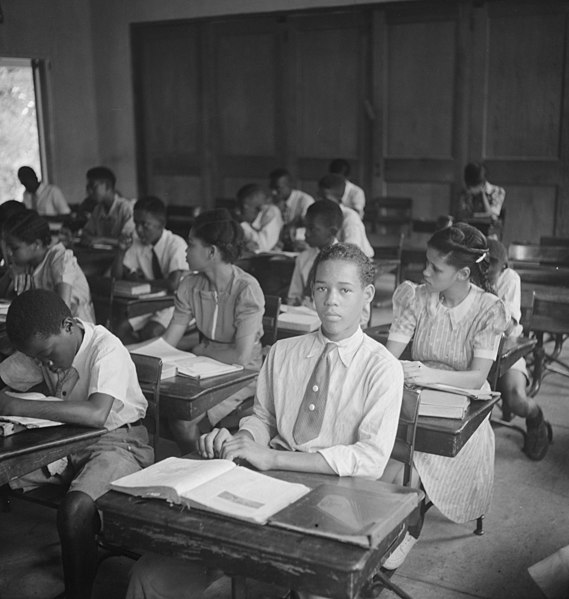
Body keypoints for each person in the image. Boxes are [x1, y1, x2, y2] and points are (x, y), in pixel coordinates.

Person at [126, 242, 404, 599]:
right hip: (266, 482)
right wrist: (241, 438)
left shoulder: (382, 368)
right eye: (321, 288)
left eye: (344, 290)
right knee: (148, 574)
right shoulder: (284, 352)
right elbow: (263, 418)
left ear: (367, 296)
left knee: (307, 583)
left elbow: (370, 459)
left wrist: (273, 457)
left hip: (338, 497)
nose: (330, 300)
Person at [0, 289, 153, 599]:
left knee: (75, 509)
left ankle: (77, 593)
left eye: (47, 354)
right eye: (36, 358)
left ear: (68, 325)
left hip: (118, 444)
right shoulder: (42, 344)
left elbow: (97, 414)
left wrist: (18, 407)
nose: (44, 363)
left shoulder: (106, 348)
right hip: (65, 442)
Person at [385, 222, 508, 568]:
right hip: (416, 398)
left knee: (409, 466)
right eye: (426, 262)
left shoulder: (488, 309)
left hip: (462, 412)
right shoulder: (417, 297)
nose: (424, 271)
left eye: (435, 268)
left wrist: (426, 373)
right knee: (386, 459)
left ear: (463, 273)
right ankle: (383, 528)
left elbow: (475, 378)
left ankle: (405, 531)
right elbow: (388, 356)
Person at [160, 209, 265, 452]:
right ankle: (197, 461)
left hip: (241, 374)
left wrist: (198, 352)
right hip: (200, 369)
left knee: (182, 420)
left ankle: (198, 465)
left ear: (211, 252)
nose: (185, 251)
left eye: (191, 244)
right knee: (167, 408)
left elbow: (241, 356)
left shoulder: (246, 289)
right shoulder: (189, 285)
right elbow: (169, 341)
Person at [486, 238, 551, 460]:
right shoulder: (471, 273)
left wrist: (488, 291)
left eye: (490, 268)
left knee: (515, 399)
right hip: (476, 352)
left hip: (507, 350)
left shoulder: (510, 279)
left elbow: (509, 327)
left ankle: (535, 418)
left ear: (503, 267)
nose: (485, 271)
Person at [111, 196, 188, 343]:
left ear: (161, 224)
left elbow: (173, 284)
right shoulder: (138, 243)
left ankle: (150, 360)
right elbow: (116, 277)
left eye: (145, 225)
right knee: (119, 328)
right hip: (152, 302)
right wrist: (120, 251)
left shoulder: (176, 244)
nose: (139, 230)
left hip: (178, 302)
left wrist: (143, 282)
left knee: (151, 332)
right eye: (136, 223)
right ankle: (136, 361)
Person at [2, 209, 95, 322]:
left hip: (75, 330)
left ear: (36, 244)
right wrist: (11, 272)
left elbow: (62, 314)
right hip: (47, 326)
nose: (8, 253)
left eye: (14, 248)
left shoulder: (60, 259)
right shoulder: (27, 263)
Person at [288, 200, 342, 306]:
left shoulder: (345, 261)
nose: (306, 233)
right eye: (306, 227)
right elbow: (293, 296)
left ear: (332, 232)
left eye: (312, 229)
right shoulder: (303, 258)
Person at [317, 174, 374, 258]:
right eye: (318, 196)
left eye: (324, 197)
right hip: (335, 260)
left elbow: (352, 250)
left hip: (360, 263)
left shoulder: (350, 217)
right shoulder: (321, 215)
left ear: (339, 198)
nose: (319, 200)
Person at [81, 166, 135, 246]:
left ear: (108, 186)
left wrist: (102, 239)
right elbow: (86, 233)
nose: (89, 191)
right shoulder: (98, 209)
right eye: (88, 187)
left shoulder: (126, 208)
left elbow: (127, 240)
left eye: (93, 186)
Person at [454, 162, 505, 239]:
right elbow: (462, 215)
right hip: (469, 235)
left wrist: (483, 195)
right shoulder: (465, 193)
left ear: (482, 183)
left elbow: (491, 215)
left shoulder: (497, 191)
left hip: (490, 236)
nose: (470, 189)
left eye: (473, 187)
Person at [237, 183, 283, 252]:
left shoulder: (271, 212)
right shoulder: (238, 218)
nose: (238, 212)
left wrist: (243, 224)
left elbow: (264, 246)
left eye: (242, 207)